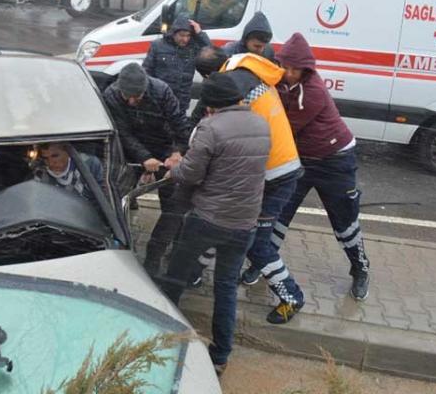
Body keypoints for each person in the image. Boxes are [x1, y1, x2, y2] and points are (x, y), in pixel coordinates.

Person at [158, 73, 270, 376]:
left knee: (176, 277)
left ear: (210, 105)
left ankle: (163, 338)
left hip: (207, 219)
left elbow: (192, 175)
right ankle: (220, 356)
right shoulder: (261, 124)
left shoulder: (210, 127)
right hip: (245, 223)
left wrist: (174, 169)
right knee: (225, 289)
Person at [188, 49, 306, 324]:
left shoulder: (237, 88)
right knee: (224, 223)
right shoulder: (246, 71)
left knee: (255, 243)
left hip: (273, 175)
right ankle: (192, 272)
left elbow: (223, 137)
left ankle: (292, 297)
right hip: (280, 165)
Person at [274, 33, 370, 300]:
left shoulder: (314, 90)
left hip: (334, 159)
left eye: (296, 69)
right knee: (278, 212)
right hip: (301, 159)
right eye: (286, 67)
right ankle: (263, 262)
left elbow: (286, 128)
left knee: (344, 220)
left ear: (307, 69)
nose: (290, 73)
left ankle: (360, 268)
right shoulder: (280, 80)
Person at [102, 63, 191, 275]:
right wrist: (144, 158)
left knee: (172, 204)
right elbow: (122, 133)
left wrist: (177, 152)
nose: (132, 101)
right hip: (132, 152)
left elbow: (180, 125)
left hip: (164, 149)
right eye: (127, 96)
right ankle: (119, 244)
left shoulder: (161, 91)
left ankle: (173, 247)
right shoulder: (112, 95)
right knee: (119, 196)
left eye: (138, 96)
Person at [143, 12, 211, 113]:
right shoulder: (158, 45)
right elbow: (146, 71)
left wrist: (200, 34)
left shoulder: (193, 48)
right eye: (182, 35)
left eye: (188, 36)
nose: (185, 39)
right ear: (174, 33)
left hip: (180, 103)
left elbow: (211, 54)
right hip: (159, 101)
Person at [34, 142, 105, 203]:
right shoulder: (40, 174)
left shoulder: (90, 165)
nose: (50, 163)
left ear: (68, 152)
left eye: (55, 156)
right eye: (45, 158)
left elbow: (104, 199)